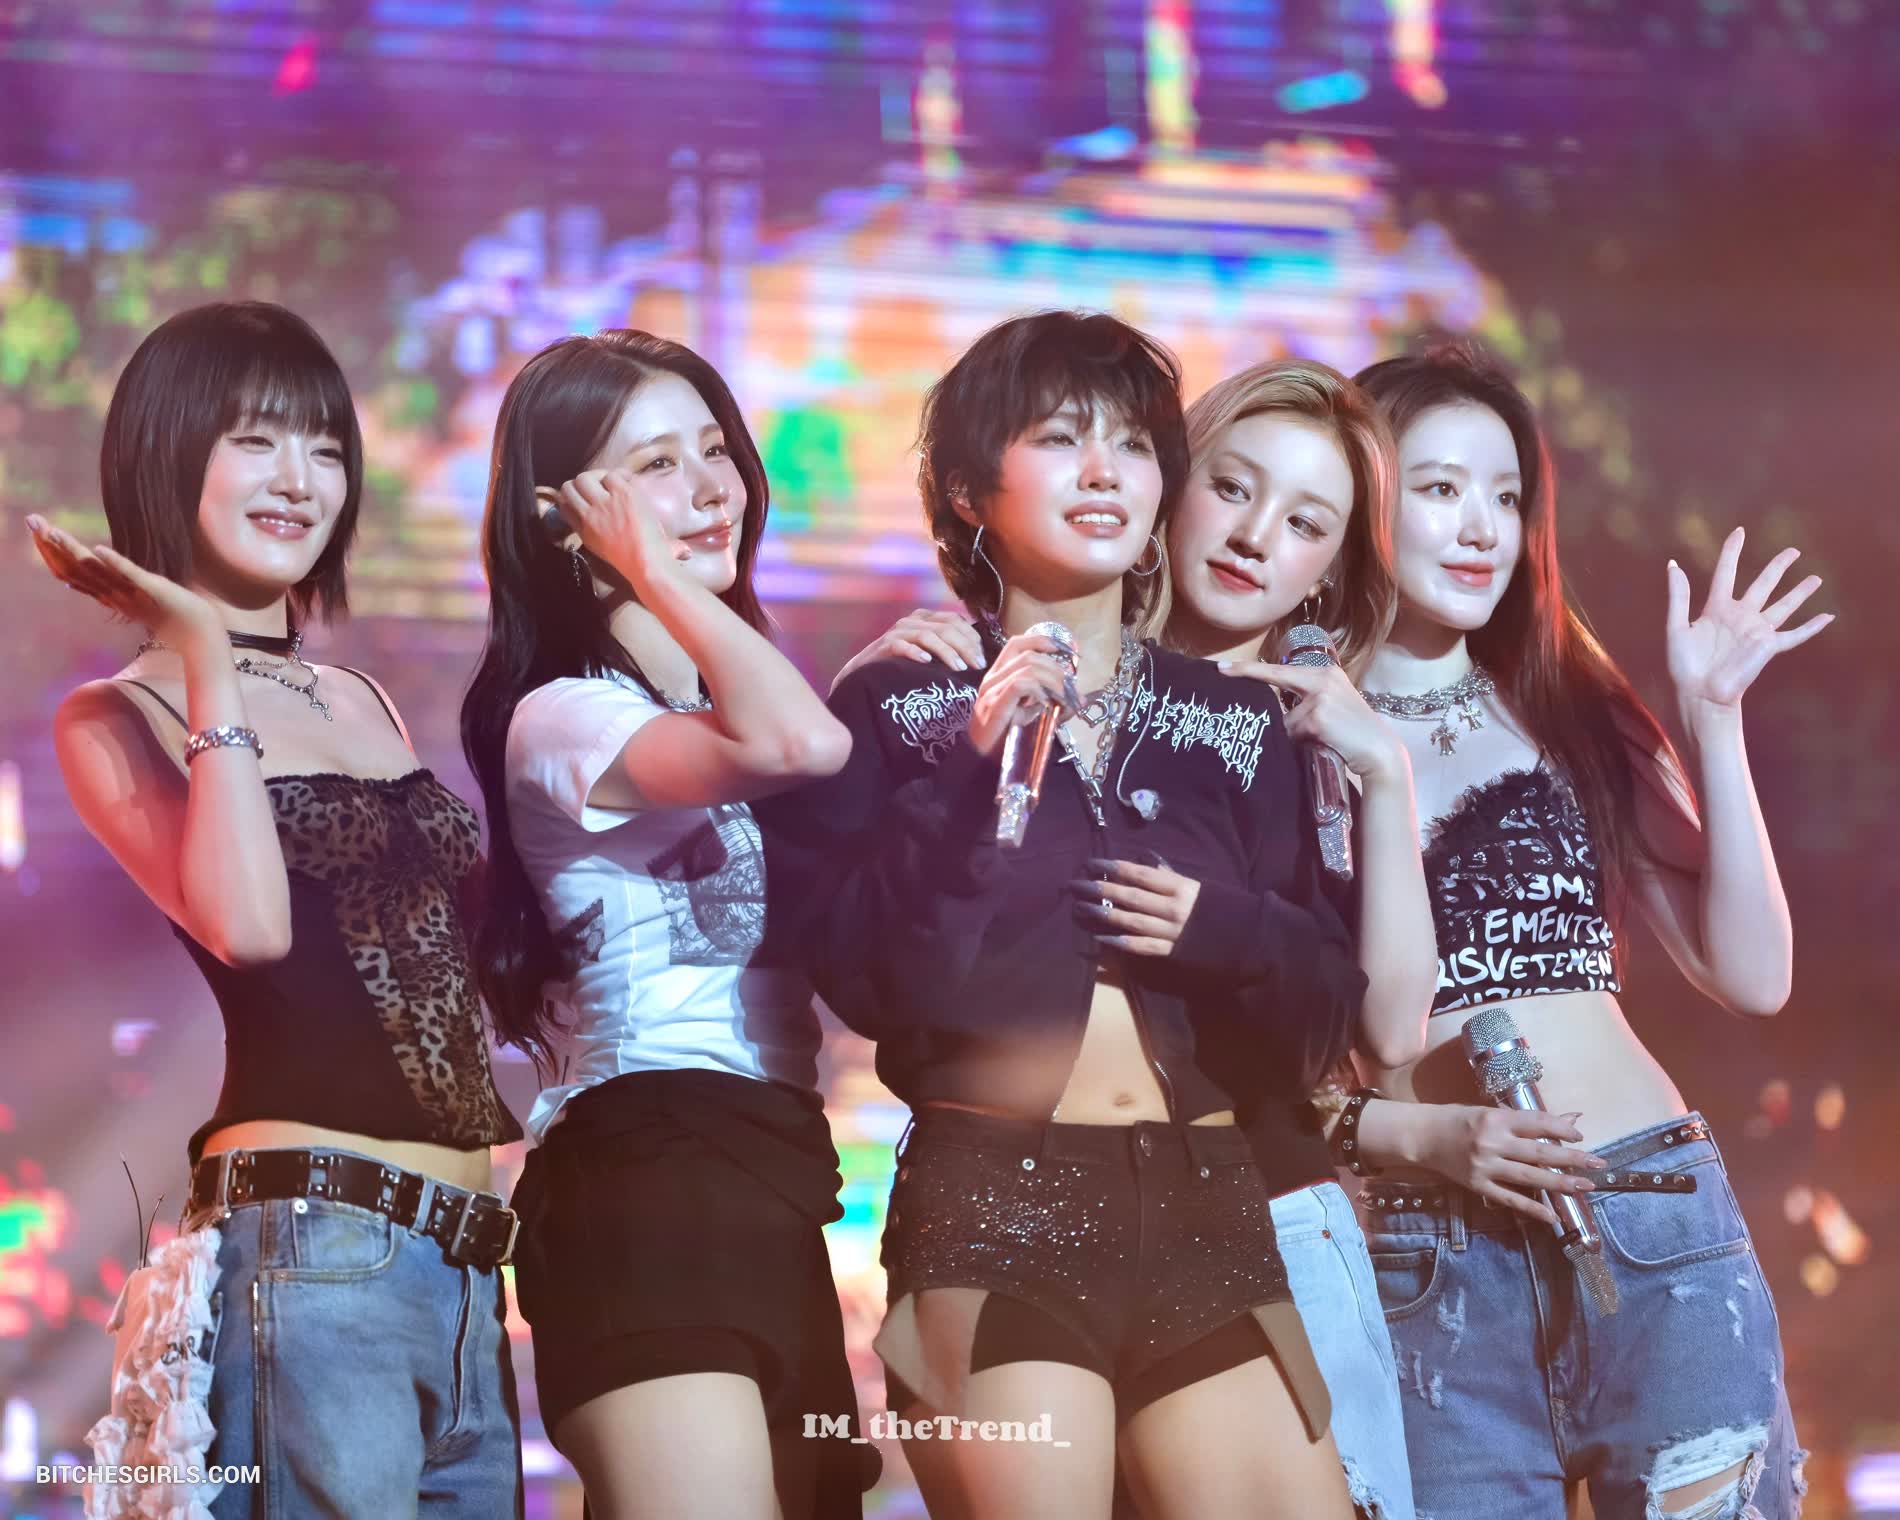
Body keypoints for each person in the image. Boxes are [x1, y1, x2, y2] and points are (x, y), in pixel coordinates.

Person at [763, 312, 1369, 1520]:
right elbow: (872, 981)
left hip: (1207, 1197)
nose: (1104, 471)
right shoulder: (898, 703)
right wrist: (972, 768)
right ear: (967, 492)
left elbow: (1321, 1015)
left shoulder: (1236, 720)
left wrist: (1222, 929)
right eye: (1058, 438)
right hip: (997, 1203)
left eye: (1133, 445)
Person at [29, 300, 523, 1517]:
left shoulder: (359, 695)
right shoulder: (118, 715)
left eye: (327, 447)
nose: (302, 479)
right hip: (312, 1247)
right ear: (170, 452)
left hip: (466, 1262)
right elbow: (250, 928)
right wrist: (204, 649)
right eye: (257, 440)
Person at [1342, 340, 1822, 1519]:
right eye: (1440, 488)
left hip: (1653, 1221)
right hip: (1427, 1255)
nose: (1481, 528)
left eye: (1505, 497)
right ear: (1361, 497)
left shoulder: (1563, 700)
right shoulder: (1296, 727)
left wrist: (1712, 718)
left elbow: (1754, 973)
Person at [459, 330, 864, 1520]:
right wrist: (661, 575)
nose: (708, 488)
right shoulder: (563, 716)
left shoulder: (714, 694)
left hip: (770, 1168)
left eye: (715, 450)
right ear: (561, 515)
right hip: (645, 1168)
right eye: (654, 466)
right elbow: (800, 743)